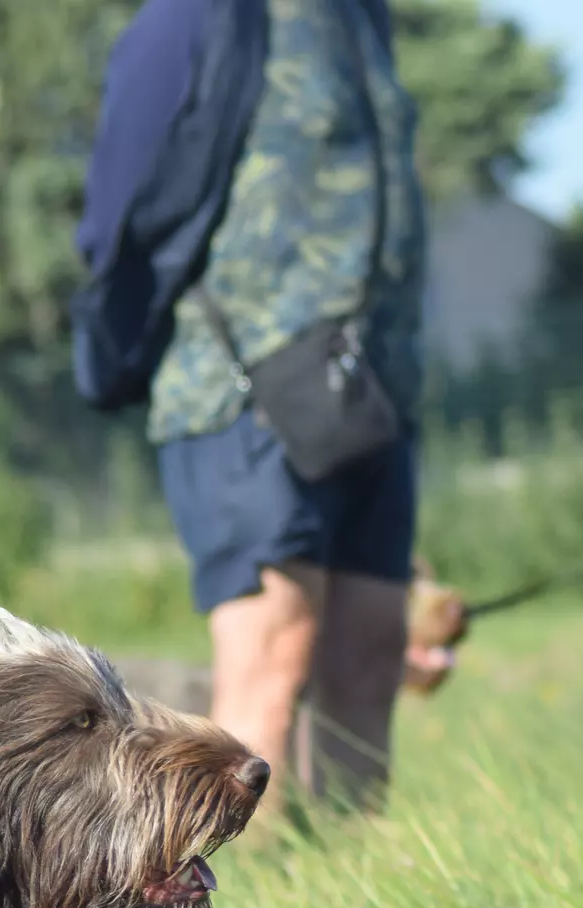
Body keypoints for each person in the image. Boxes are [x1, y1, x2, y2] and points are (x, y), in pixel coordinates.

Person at [74, 0, 425, 808]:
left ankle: (350, 894)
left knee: (371, 650)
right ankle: (235, 905)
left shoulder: (362, 16)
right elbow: (118, 206)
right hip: (240, 383)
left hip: (375, 387)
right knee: (273, 654)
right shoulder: (200, 16)